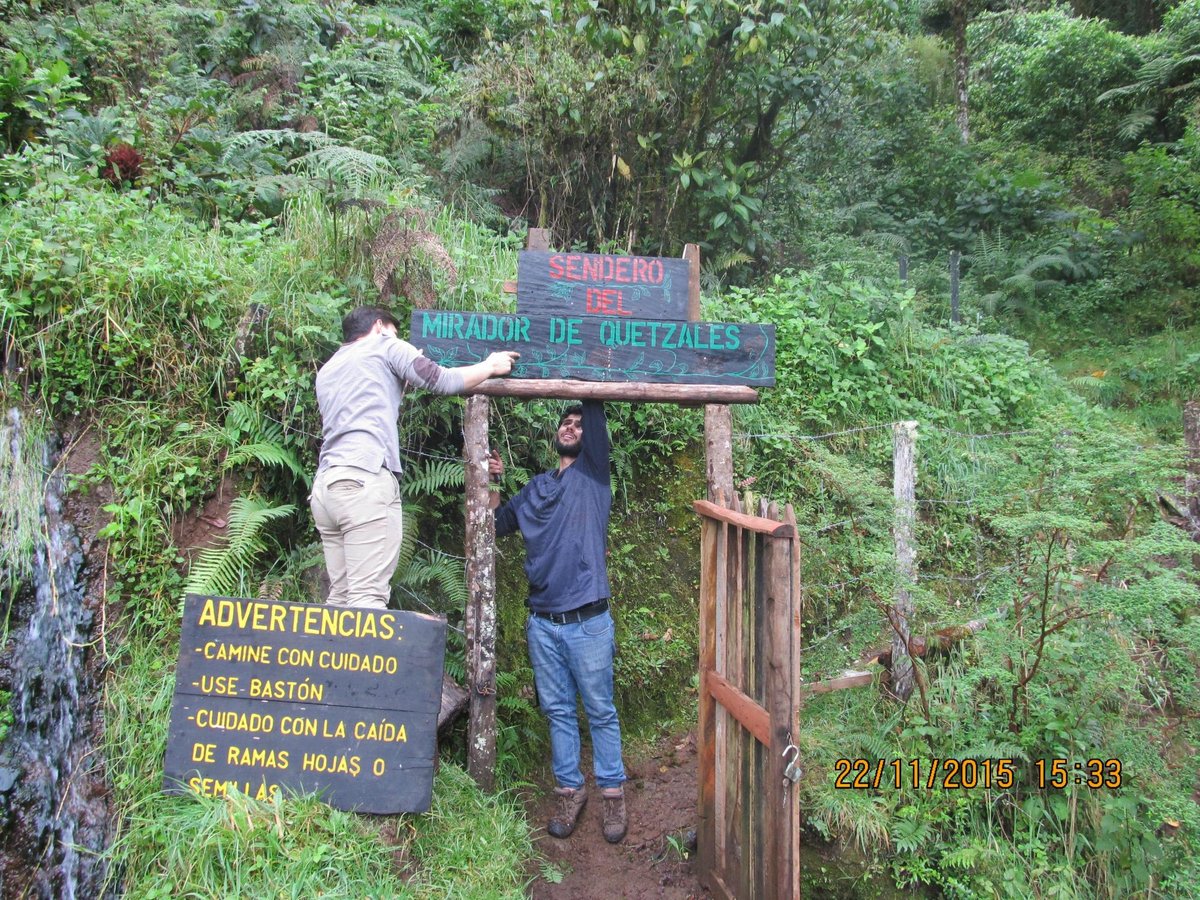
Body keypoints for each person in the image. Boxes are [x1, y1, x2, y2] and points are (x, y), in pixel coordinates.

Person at [311, 305, 518, 609]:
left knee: (341, 597)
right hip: (363, 482)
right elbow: (442, 380)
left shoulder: (329, 368)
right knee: (367, 599)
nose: (398, 338)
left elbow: (368, 402)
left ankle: (328, 656)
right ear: (379, 326)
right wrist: (490, 366)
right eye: (395, 332)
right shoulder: (385, 344)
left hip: (327, 489)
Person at [489, 401, 628, 843]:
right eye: (565, 423)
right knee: (557, 711)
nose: (571, 427)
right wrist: (492, 480)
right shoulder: (534, 489)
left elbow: (593, 405)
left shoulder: (593, 478)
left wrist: (587, 389)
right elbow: (493, 523)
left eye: (579, 424)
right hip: (543, 624)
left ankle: (612, 796)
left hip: (588, 621)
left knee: (601, 711)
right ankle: (570, 791)